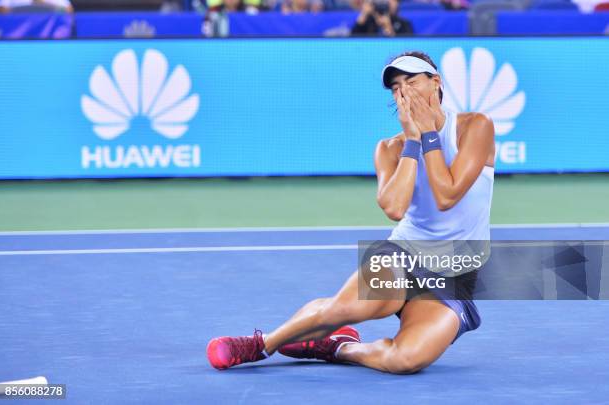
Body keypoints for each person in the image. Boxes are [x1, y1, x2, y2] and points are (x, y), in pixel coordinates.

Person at [206, 51, 495, 374]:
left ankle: (339, 347)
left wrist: (429, 133)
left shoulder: (474, 127)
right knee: (343, 308)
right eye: (396, 87)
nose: (404, 92)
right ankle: (261, 344)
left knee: (406, 360)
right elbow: (394, 209)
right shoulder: (390, 149)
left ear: (436, 82)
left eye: (412, 82)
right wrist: (414, 140)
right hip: (404, 254)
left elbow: (447, 196)